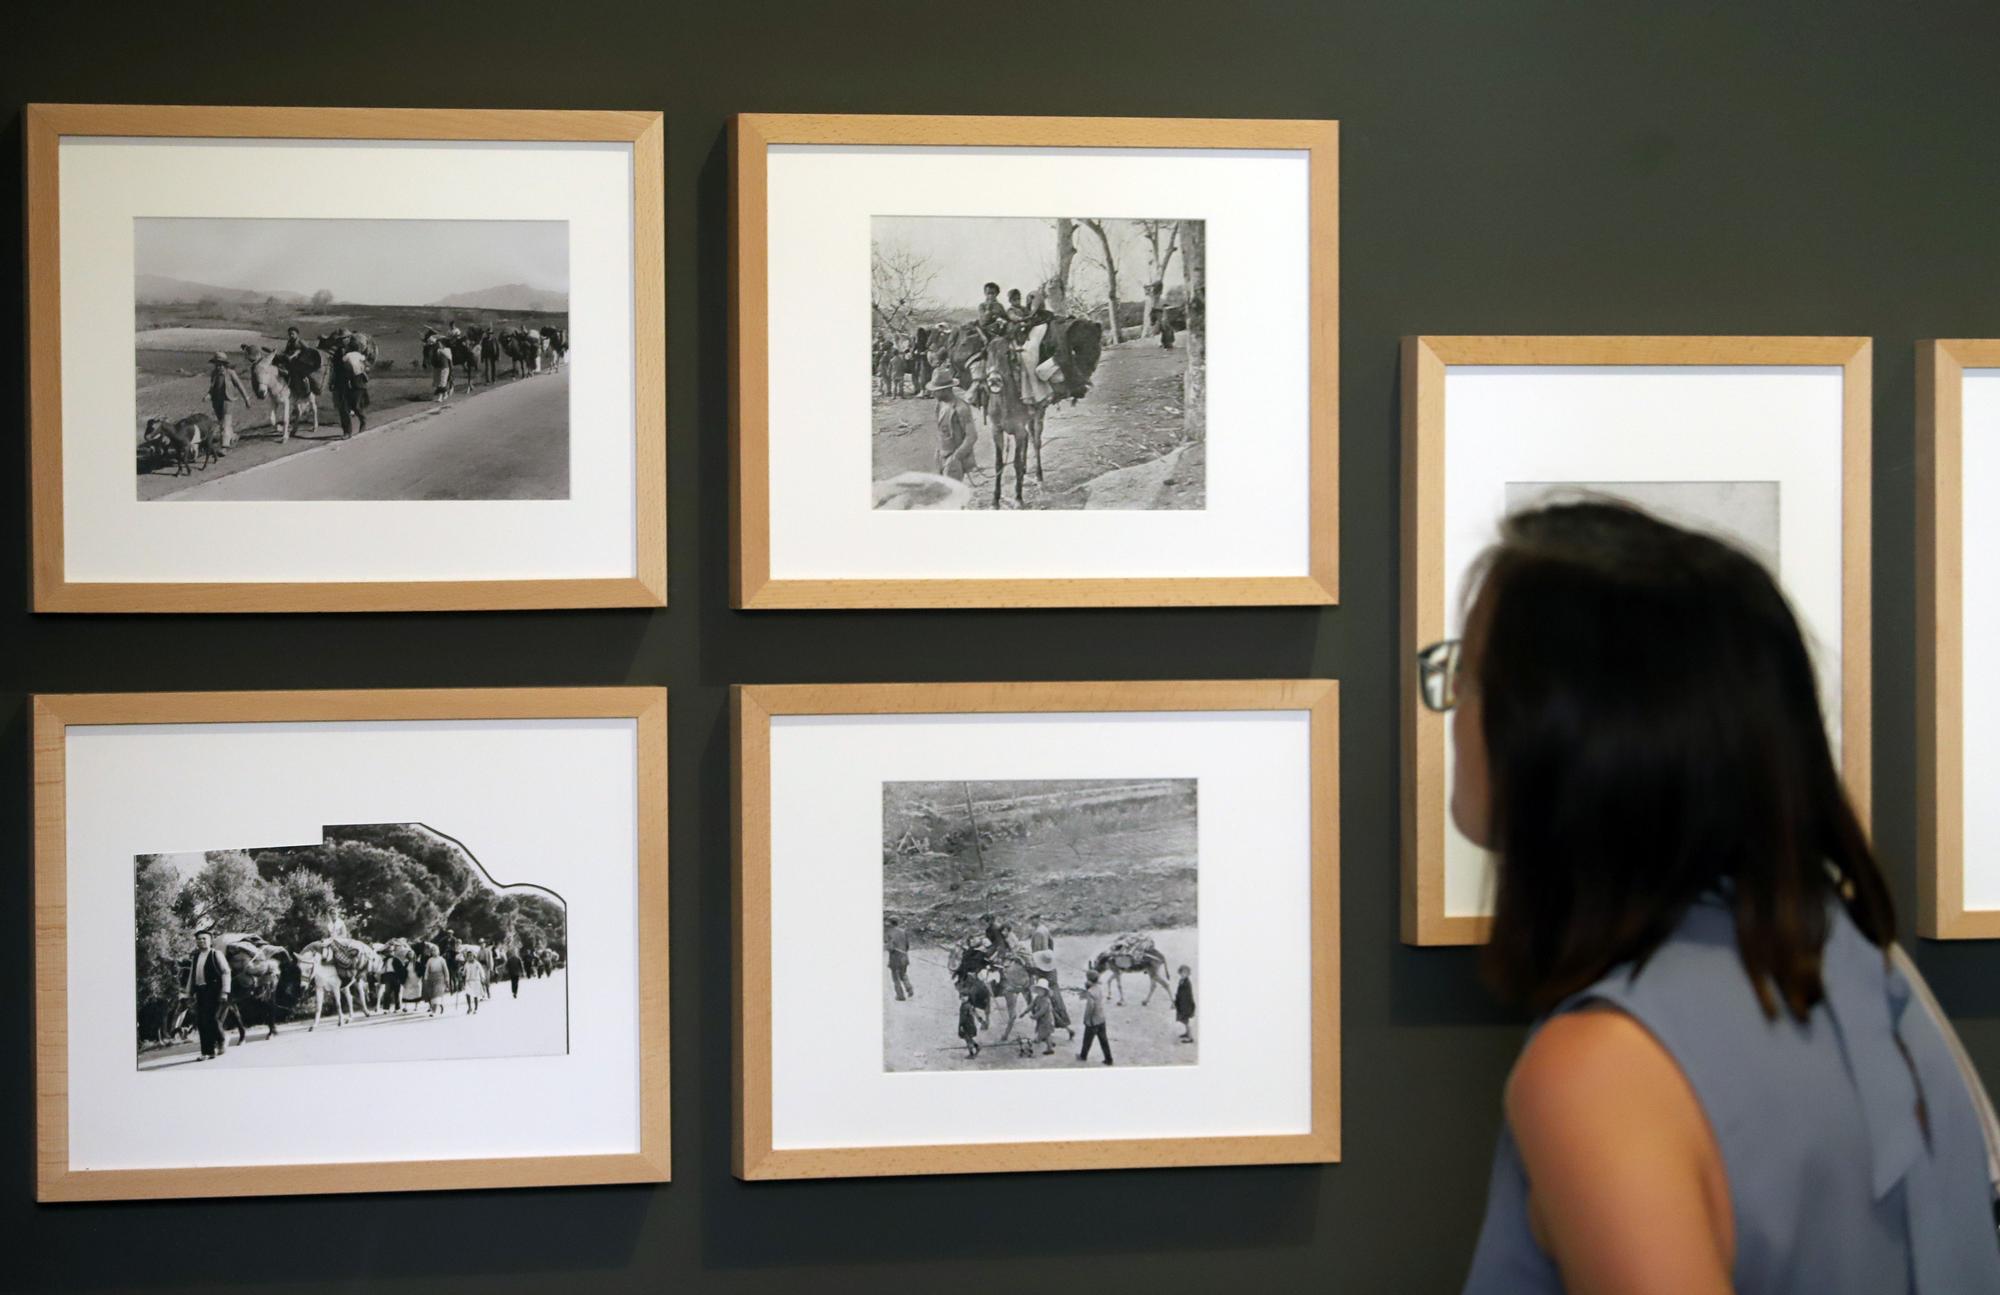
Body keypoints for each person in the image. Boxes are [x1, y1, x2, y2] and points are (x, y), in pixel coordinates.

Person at [1447, 501, 2000, 1294]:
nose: (1453, 709)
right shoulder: (1869, 975)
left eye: (1464, 676)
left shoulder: (1598, 1069)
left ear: (1564, 733)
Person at [185, 931, 231, 1060]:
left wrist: (225, 991)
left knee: (211, 1019)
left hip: (214, 991)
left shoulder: (216, 954)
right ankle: (207, 1052)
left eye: (204, 939)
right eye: (199, 939)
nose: (201, 941)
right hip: (200, 991)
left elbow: (226, 972)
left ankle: (222, 1039)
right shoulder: (196, 956)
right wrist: (188, 993)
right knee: (201, 1022)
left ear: (210, 941)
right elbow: (191, 976)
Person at [927, 365, 977, 481]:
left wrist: (956, 458)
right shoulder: (940, 405)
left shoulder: (961, 408)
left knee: (953, 495)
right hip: (941, 455)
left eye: (936, 391)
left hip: (953, 459)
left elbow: (972, 436)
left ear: (945, 390)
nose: (933, 394)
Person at [205, 352, 250, 451]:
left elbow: (240, 386)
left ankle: (224, 447)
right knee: (223, 423)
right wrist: (208, 395)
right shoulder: (214, 374)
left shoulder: (230, 373)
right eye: (217, 364)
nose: (219, 366)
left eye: (221, 364)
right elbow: (212, 388)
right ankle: (233, 436)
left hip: (228, 401)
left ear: (225, 364)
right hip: (217, 402)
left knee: (225, 423)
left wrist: (246, 398)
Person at [1076, 970, 1112, 1065]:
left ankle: (1083, 1056)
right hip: (1101, 1018)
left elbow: (1090, 1006)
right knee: (1104, 1040)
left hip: (1092, 1021)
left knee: (1087, 1040)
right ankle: (1109, 1059)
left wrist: (1086, 1019)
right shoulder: (1099, 988)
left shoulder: (1090, 991)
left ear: (1089, 980)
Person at [885, 917, 914, 1001]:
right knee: (903, 974)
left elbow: (890, 947)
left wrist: (887, 947)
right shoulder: (903, 931)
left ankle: (900, 996)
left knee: (896, 977)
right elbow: (907, 946)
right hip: (904, 957)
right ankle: (909, 989)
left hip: (895, 958)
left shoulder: (890, 933)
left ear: (891, 923)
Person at [1027, 983, 1056, 1056]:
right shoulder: (1037, 998)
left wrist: (1035, 1016)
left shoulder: (1046, 1000)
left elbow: (1042, 1011)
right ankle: (1039, 1039)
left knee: (1047, 1034)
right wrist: (1025, 1012)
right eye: (1038, 989)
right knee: (1041, 1030)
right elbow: (1032, 1004)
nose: (1039, 991)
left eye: (1041, 990)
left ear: (1045, 991)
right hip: (1041, 1020)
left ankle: (1050, 1048)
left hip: (1047, 1020)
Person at [422, 943, 451, 1016]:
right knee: (431, 995)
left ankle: (433, 1011)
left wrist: (447, 979)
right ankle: (437, 1006)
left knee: (436, 994)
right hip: (431, 978)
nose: (434, 952)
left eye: (435, 950)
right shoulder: (430, 960)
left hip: (440, 978)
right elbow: (427, 970)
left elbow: (446, 970)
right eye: (432, 951)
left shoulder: (442, 960)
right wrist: (425, 978)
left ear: (438, 951)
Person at [1173, 964, 1196, 1043]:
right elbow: (1179, 993)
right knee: (1184, 1021)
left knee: (1186, 1021)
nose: (1182, 974)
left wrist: (1181, 1006)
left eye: (1185, 973)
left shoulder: (1187, 983)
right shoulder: (1182, 981)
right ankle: (1187, 1033)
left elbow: (1186, 996)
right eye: (1181, 973)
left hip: (1186, 1005)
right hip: (1182, 1004)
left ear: (1188, 974)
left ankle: (1190, 1037)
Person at [957, 988, 982, 1058]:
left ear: (968, 997)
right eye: (961, 997)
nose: (963, 998)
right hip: (970, 1024)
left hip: (966, 1025)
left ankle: (971, 1054)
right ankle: (977, 1047)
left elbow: (963, 1017)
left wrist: (961, 1026)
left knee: (968, 1040)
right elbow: (974, 1012)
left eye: (964, 997)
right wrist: (979, 1018)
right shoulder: (969, 1005)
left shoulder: (964, 1006)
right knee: (968, 1038)